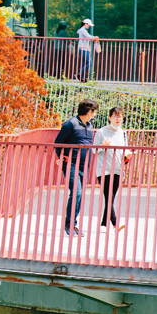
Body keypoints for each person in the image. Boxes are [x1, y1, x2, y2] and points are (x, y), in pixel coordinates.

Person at [53, 98, 98, 236]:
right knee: (76, 193)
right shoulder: (70, 124)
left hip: (84, 166)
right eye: (95, 112)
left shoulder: (89, 126)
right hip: (71, 164)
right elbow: (57, 143)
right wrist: (60, 158)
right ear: (89, 112)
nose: (95, 114)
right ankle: (70, 225)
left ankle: (73, 224)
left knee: (79, 195)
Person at [93, 106, 131, 230]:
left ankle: (104, 223)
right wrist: (103, 145)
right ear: (109, 118)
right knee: (108, 195)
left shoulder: (123, 133)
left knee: (111, 196)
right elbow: (94, 150)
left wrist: (127, 156)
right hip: (104, 169)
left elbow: (125, 150)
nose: (117, 118)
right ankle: (115, 223)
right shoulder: (101, 132)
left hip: (118, 168)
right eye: (115, 116)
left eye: (119, 116)